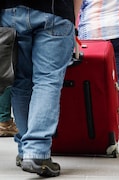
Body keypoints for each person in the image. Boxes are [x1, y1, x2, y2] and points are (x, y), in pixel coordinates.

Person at [0, 0, 82, 177]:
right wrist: (73, 20)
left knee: (21, 83)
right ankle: (36, 151)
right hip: (55, 11)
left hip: (11, 12)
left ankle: (25, 150)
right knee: (47, 80)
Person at [78, 0, 119, 91]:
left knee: (93, 82)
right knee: (116, 83)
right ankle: (115, 103)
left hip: (94, 31)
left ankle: (95, 103)